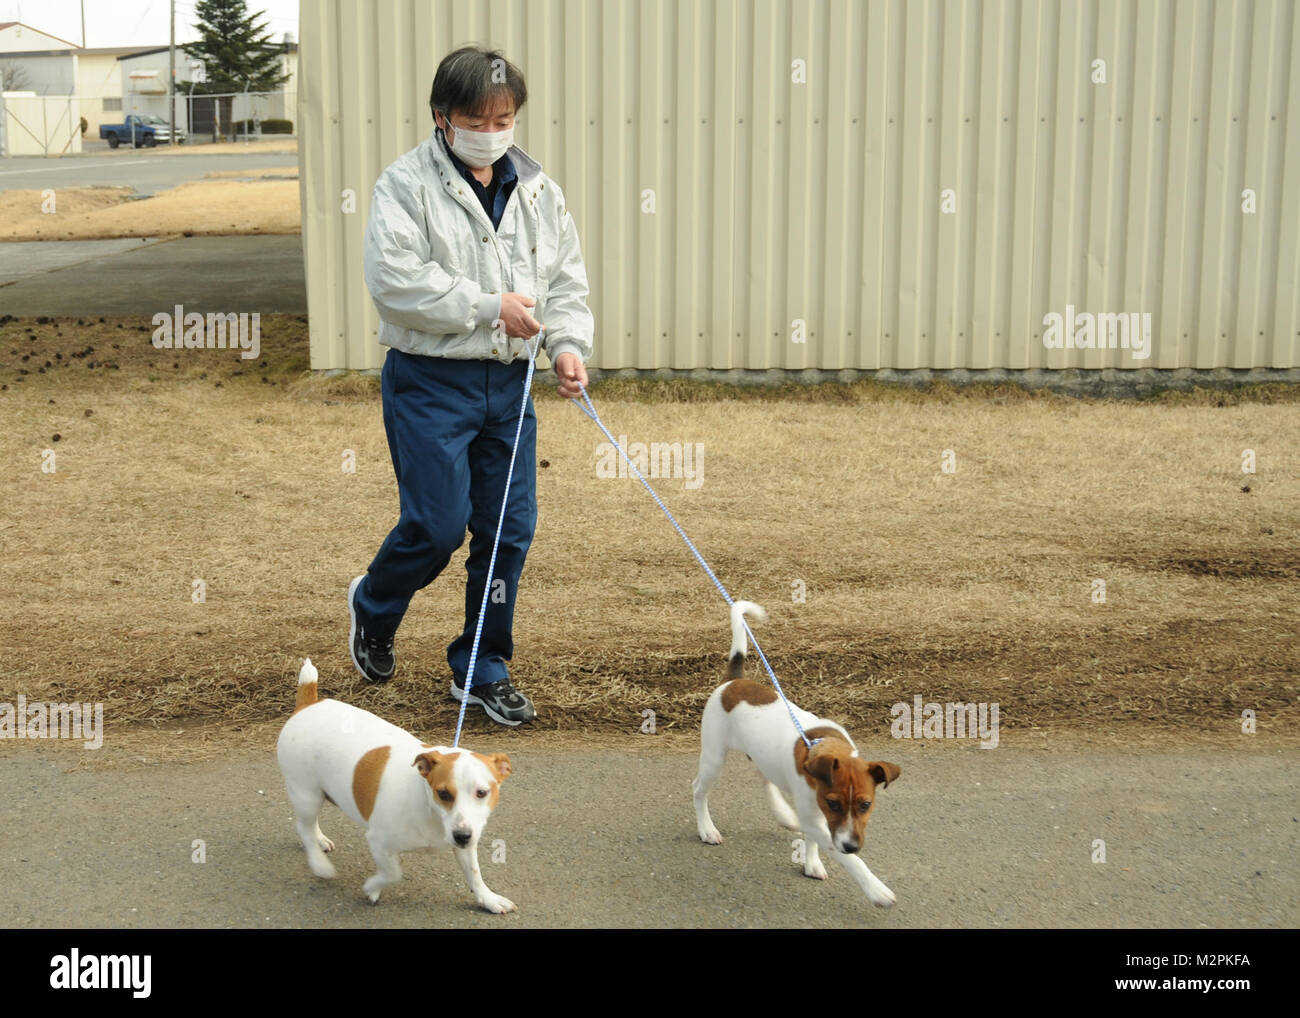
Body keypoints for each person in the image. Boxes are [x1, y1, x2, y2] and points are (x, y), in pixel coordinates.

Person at [348, 44, 594, 726]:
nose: (493, 129)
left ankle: (482, 665)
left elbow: (565, 280)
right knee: (436, 524)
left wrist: (568, 345)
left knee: (509, 531)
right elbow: (395, 283)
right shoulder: (404, 186)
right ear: (442, 117)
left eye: (505, 115)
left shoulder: (540, 191)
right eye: (478, 117)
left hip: (509, 388)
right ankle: (375, 603)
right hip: (430, 382)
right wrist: (491, 305)